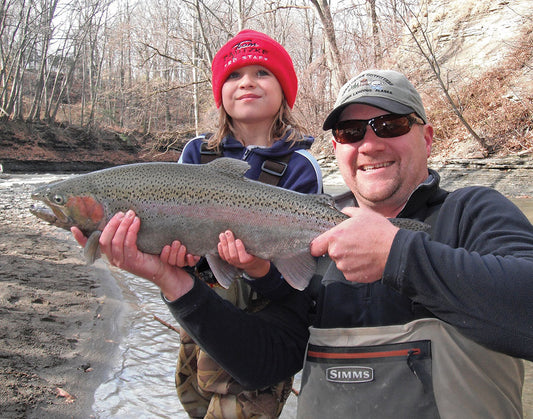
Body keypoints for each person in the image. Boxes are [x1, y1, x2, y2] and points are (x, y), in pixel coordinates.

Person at [74, 69, 533, 418]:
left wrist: (398, 254)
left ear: (428, 138)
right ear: (336, 150)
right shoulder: (314, 233)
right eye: (351, 133)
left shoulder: (473, 212)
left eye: (389, 125)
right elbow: (265, 364)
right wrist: (174, 284)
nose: (369, 144)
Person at [76, 29, 322, 418]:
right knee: (193, 403)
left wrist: (256, 268)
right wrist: (178, 261)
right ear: (219, 92)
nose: (247, 83)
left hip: (263, 325)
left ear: (285, 91)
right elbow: (179, 239)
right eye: (234, 76)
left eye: (262, 73)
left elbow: (295, 290)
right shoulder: (195, 152)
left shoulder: (299, 165)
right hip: (199, 310)